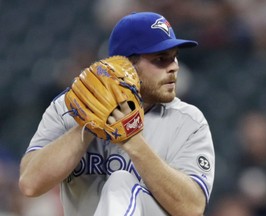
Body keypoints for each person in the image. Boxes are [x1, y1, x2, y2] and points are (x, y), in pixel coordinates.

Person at [18, 12, 215, 216]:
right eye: (160, 59)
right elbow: (30, 184)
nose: (174, 67)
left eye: (174, 58)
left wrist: (133, 141)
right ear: (125, 66)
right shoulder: (68, 107)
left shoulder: (189, 121)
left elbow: (192, 208)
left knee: (121, 181)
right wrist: (88, 124)